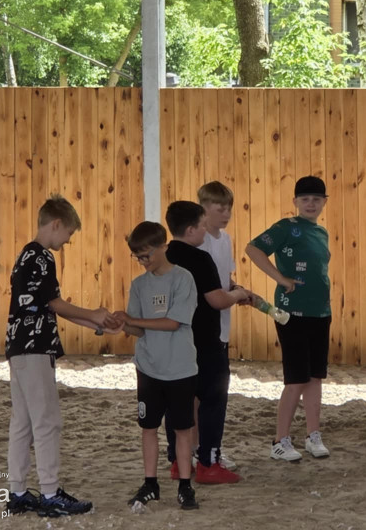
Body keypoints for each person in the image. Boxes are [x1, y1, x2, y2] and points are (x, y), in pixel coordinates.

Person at [3, 195, 117, 517]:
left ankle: (19, 492)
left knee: (23, 421)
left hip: (20, 347)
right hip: (35, 348)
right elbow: (54, 304)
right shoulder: (41, 257)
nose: (68, 240)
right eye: (68, 232)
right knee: (47, 421)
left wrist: (96, 322)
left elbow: (49, 304)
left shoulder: (26, 255)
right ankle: (51, 493)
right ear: (56, 224)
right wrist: (93, 314)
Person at [246, 175, 332, 462]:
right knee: (295, 379)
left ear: (324, 202)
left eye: (316, 199)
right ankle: (279, 440)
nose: (311, 204)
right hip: (291, 312)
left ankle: (312, 434)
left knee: (315, 376)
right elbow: (253, 248)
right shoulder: (286, 227)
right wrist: (279, 278)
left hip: (320, 311)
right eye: (305, 199)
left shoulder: (321, 232)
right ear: (295, 202)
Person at [164, 201, 251, 485]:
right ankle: (208, 463)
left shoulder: (163, 256)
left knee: (178, 400)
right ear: (191, 230)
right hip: (203, 340)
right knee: (213, 399)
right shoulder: (200, 259)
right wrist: (239, 294)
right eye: (202, 225)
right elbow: (217, 300)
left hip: (172, 341)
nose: (205, 230)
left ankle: (179, 461)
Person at [119, 221, 201, 511]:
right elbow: (139, 330)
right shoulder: (139, 285)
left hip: (179, 368)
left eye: (146, 255)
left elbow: (173, 322)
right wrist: (121, 325)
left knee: (181, 429)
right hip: (148, 367)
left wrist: (133, 321)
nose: (143, 262)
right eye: (137, 257)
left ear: (163, 247)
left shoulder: (183, 279)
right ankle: (150, 483)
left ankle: (185, 486)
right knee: (148, 427)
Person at [194, 181, 251, 473]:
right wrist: (232, 295)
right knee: (203, 393)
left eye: (229, 207)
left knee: (212, 391)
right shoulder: (197, 241)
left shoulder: (225, 239)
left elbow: (224, 278)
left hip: (221, 324)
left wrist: (238, 290)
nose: (226, 212)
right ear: (204, 208)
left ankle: (205, 449)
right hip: (201, 324)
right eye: (220, 207)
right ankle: (198, 451)